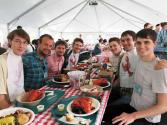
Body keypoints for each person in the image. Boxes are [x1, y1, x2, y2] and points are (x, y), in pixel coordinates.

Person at [103, 29, 167, 125]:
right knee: (102, 112)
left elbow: (163, 107)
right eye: (138, 43)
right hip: (133, 106)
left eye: (146, 42)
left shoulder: (159, 68)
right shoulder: (139, 59)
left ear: (154, 43)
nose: (141, 46)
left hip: (146, 118)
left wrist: (133, 116)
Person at [0, 27, 30, 109]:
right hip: (6, 107)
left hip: (20, 102)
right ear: (10, 41)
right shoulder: (1, 61)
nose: (21, 46)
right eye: (17, 41)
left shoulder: (19, 58)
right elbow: (1, 100)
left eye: (25, 42)